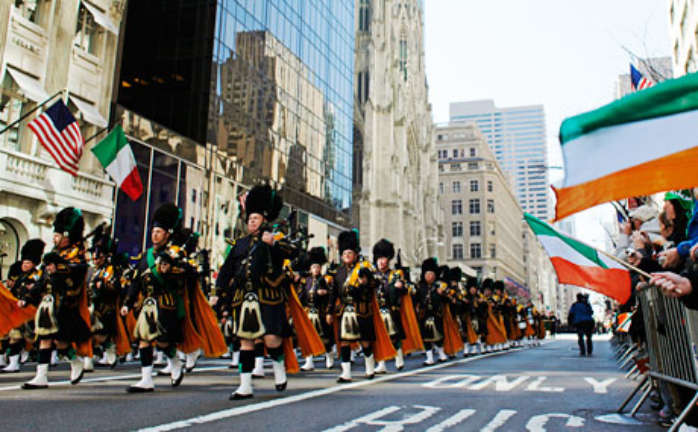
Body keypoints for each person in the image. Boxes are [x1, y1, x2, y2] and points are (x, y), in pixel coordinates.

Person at [213, 184, 292, 400]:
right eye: (249, 219)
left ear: (264, 219)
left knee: (271, 340)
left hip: (267, 296)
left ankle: (278, 365)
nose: (251, 222)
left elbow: (290, 253)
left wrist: (274, 243)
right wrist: (218, 291)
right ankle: (245, 385)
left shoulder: (274, 238)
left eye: (255, 219)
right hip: (244, 298)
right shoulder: (239, 244)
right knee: (245, 341)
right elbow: (226, 269)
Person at [121, 203, 187, 393]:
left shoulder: (176, 253)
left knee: (164, 342)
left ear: (167, 234)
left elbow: (186, 273)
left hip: (166, 304)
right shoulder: (146, 256)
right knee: (144, 339)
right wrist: (128, 302)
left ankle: (174, 361)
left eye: (159, 232)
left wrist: (171, 270)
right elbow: (136, 281)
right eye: (153, 231)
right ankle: (146, 379)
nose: (155, 235)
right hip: (148, 305)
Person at [23, 207, 91, 389]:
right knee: (45, 337)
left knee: (60, 342)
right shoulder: (56, 254)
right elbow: (42, 279)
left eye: (58, 235)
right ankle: (41, 376)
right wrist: (29, 297)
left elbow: (78, 271)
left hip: (66, 305)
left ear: (67, 235)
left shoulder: (77, 253)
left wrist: (59, 267)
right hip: (49, 303)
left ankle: (75, 361)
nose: (54, 238)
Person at [330, 229, 378, 383]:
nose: (347, 256)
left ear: (356, 254)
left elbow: (374, 284)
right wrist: (330, 311)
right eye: (344, 253)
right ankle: (346, 373)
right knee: (344, 341)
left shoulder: (364, 269)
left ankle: (370, 368)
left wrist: (365, 282)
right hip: (345, 310)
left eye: (350, 253)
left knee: (365, 341)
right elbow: (334, 293)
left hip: (362, 310)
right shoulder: (339, 272)